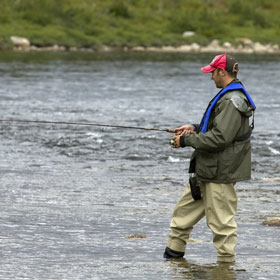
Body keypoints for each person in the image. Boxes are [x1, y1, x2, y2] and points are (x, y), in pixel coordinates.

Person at [164, 53, 256, 263]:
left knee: (222, 226)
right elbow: (219, 128)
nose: (211, 77)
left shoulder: (233, 100)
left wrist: (185, 141)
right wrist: (194, 128)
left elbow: (220, 138)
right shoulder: (227, 96)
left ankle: (225, 271)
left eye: (212, 73)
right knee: (180, 219)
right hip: (205, 171)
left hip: (219, 175)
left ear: (222, 71)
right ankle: (172, 265)